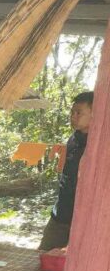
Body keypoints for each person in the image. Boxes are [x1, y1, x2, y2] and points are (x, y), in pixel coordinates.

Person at [39, 91, 94, 251]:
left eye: (79, 113)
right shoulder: (73, 139)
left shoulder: (100, 144)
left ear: (94, 114)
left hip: (86, 218)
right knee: (44, 255)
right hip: (61, 213)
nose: (73, 117)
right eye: (72, 112)